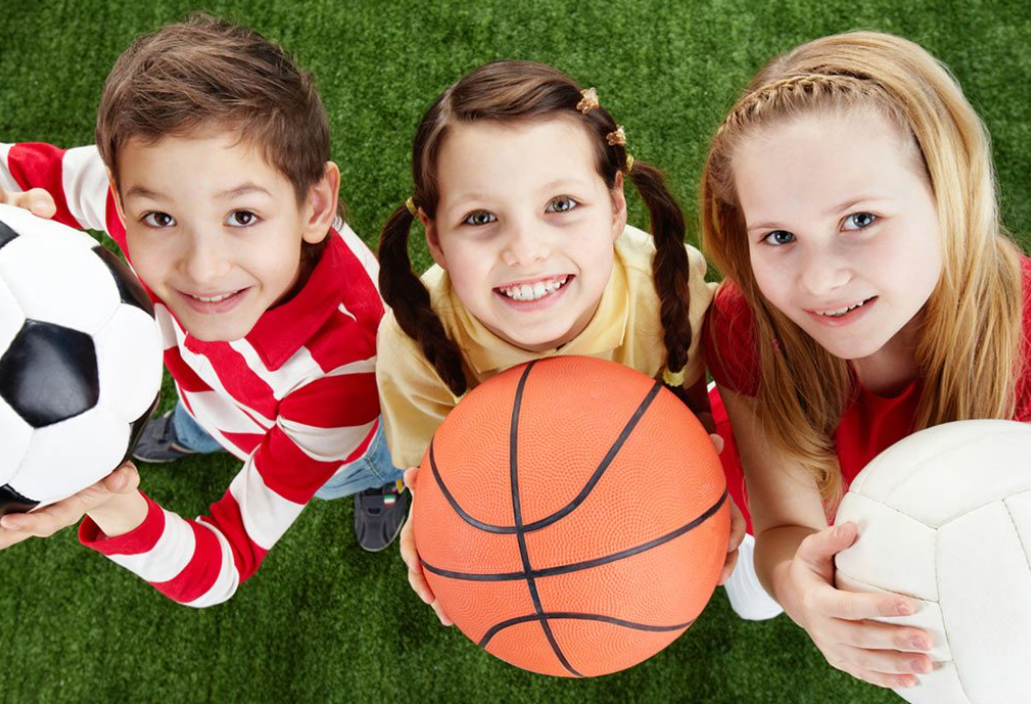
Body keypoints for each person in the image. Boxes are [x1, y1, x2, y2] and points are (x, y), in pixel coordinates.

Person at [0, 15, 408, 607]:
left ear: (315, 205)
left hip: (345, 443)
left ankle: (383, 485)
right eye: (161, 219)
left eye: (242, 216)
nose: (203, 267)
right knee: (204, 416)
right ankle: (198, 429)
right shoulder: (136, 193)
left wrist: (117, 505)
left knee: (361, 466)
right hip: (212, 393)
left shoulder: (342, 376)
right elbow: (14, 169)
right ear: (121, 196)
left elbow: (224, 564)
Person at [700, 30, 1031, 688]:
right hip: (792, 494)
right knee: (762, 590)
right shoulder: (746, 321)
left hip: (927, 527)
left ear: (949, 193)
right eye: (779, 236)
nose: (820, 281)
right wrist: (799, 588)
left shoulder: (1021, 329)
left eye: (859, 220)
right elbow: (786, 523)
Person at [374, 60, 743, 624]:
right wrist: (432, 514)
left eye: (561, 205)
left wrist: (703, 494)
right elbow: (434, 469)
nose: (526, 251)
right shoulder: (414, 340)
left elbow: (690, 411)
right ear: (436, 240)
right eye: (480, 217)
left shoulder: (666, 289)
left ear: (615, 206)